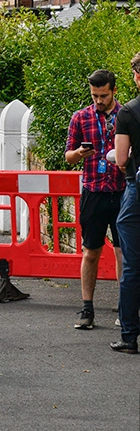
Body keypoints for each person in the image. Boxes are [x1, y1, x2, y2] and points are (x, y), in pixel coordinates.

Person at [65, 69, 125, 331]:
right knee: (90, 251)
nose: (99, 101)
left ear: (113, 91)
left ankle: (125, 308)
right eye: (94, 96)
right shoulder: (80, 117)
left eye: (103, 96)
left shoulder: (127, 115)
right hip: (93, 190)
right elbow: (68, 157)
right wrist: (80, 152)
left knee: (123, 253)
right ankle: (87, 308)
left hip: (123, 191)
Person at [112, 54, 140, 354]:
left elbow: (120, 159)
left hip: (137, 192)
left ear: (138, 76)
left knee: (133, 266)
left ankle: (130, 336)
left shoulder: (129, 112)